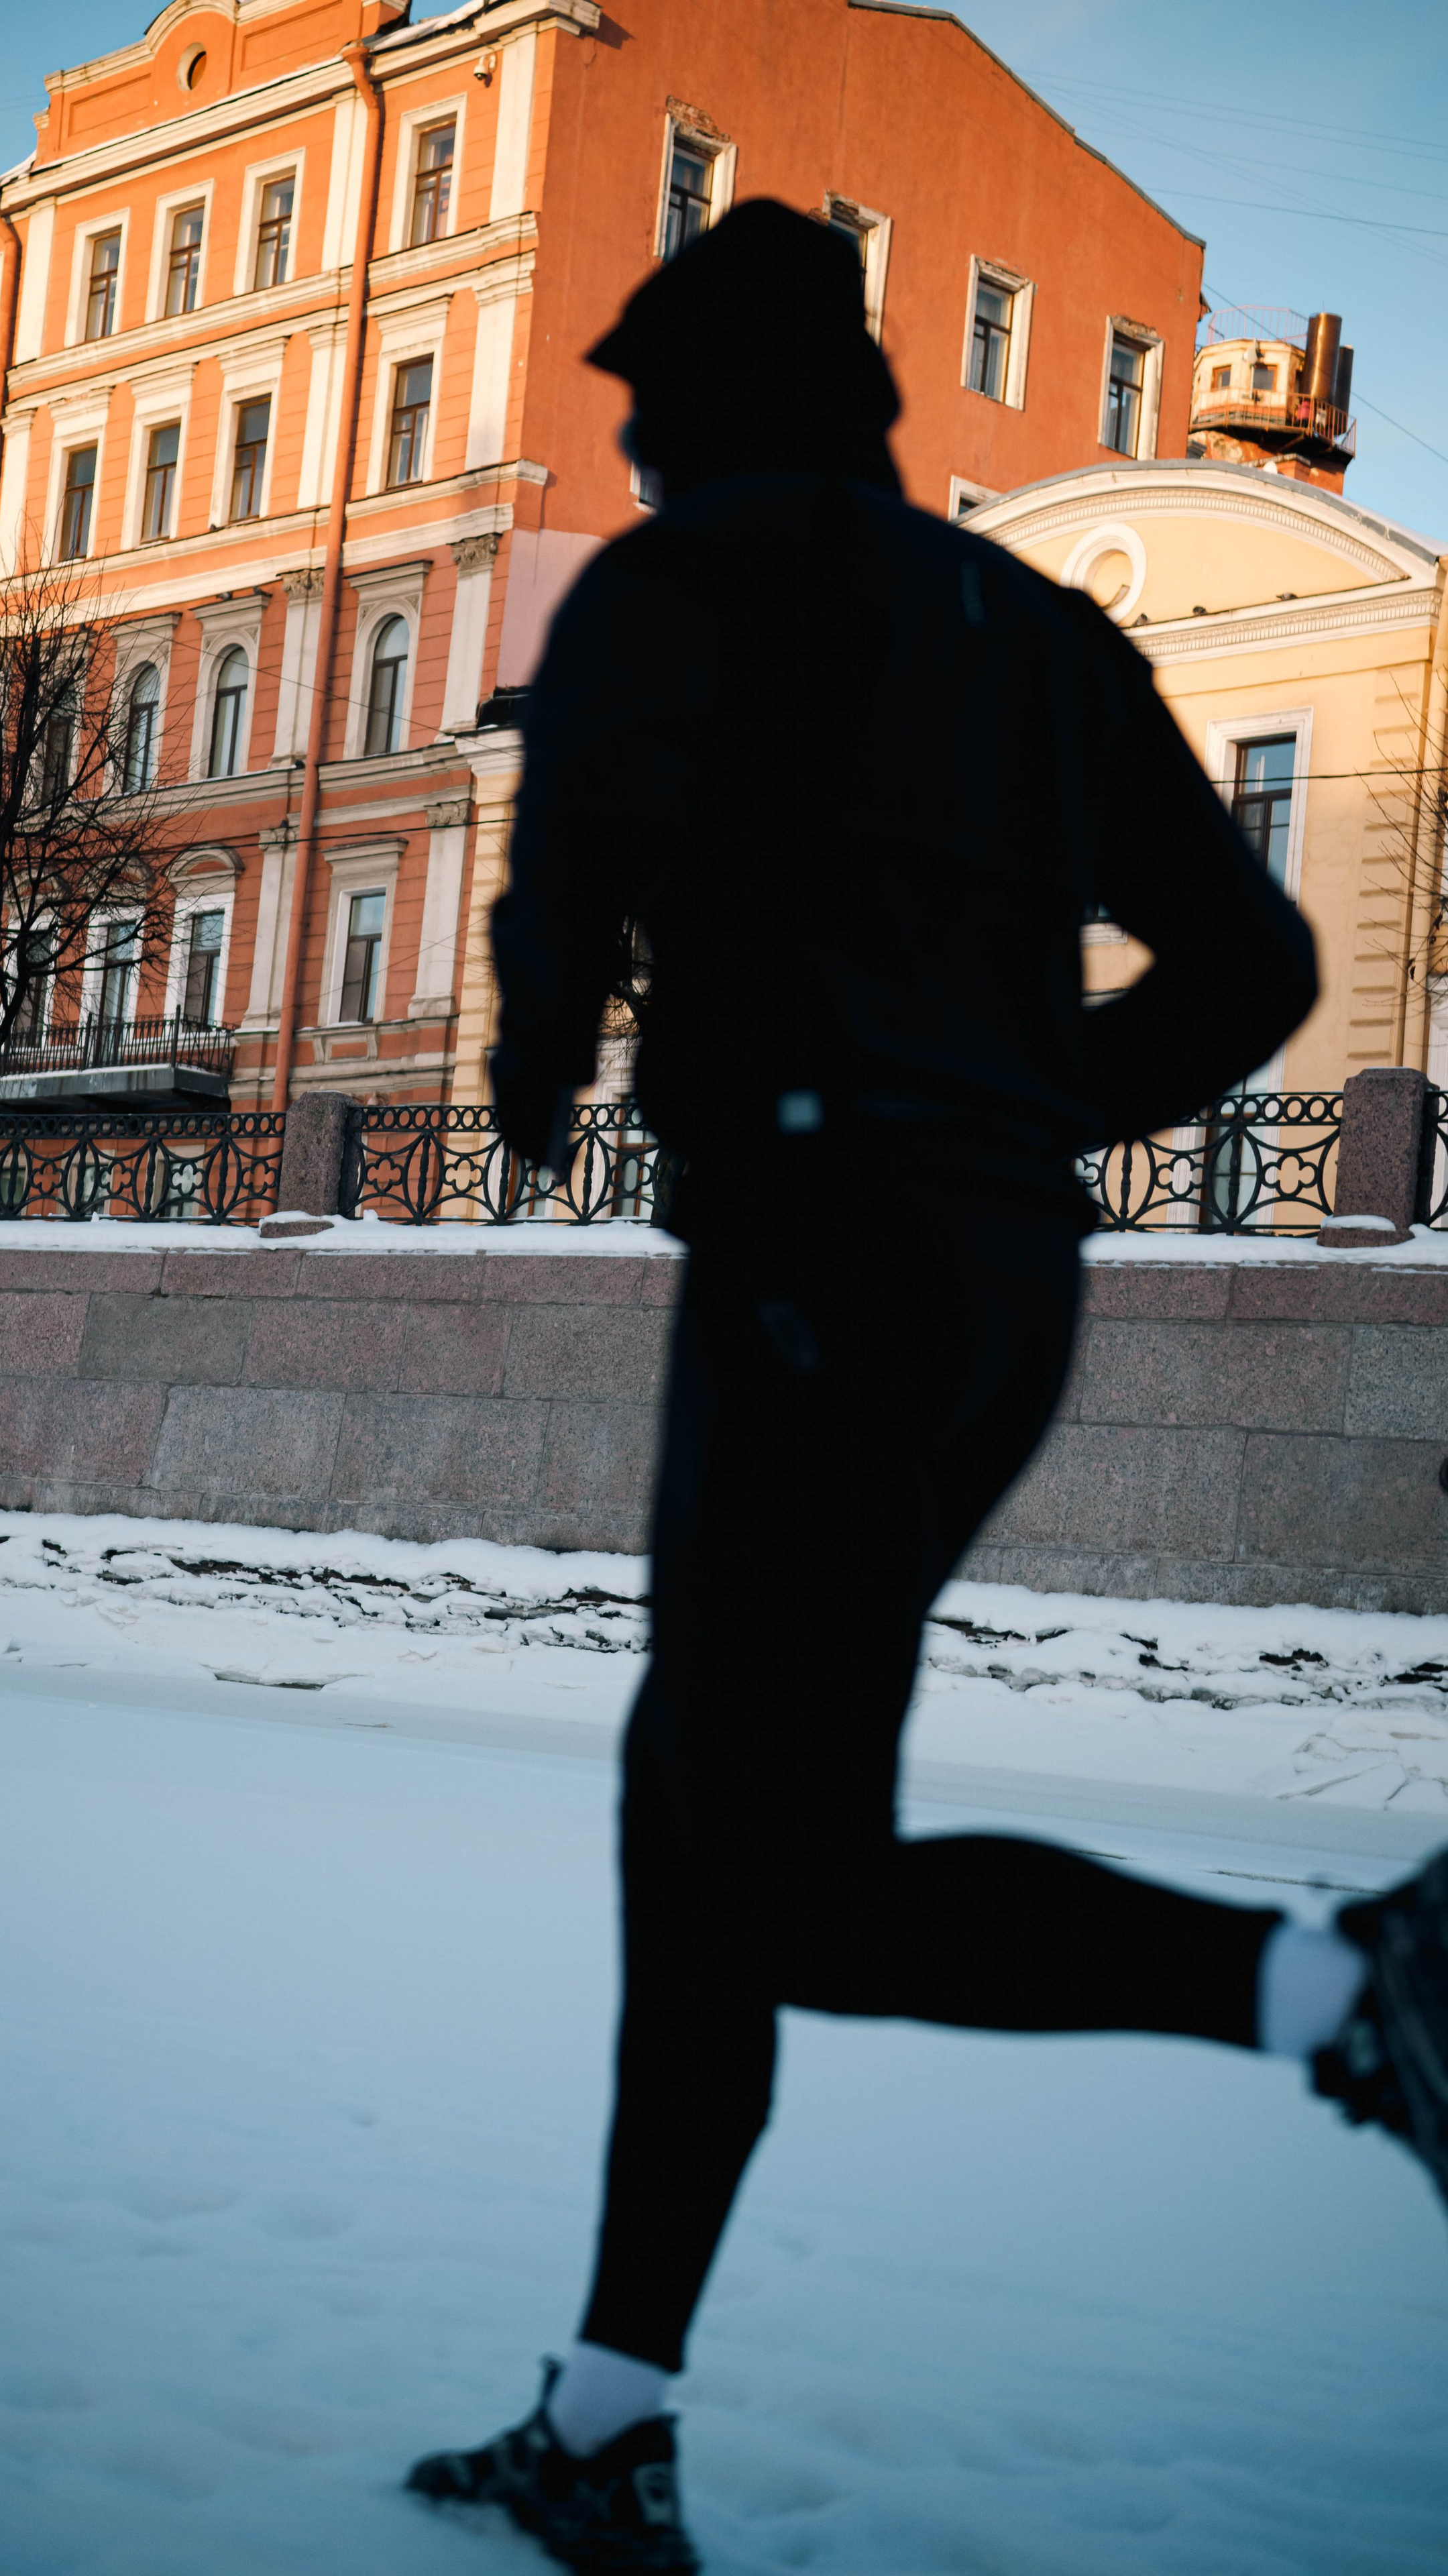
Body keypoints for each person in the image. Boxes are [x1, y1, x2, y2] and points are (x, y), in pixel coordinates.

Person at [405, 202, 1448, 2576]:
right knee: (708, 1849)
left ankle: (1346, 1985)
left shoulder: (671, 589)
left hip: (808, 1265)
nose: (633, 463)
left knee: (765, 1881)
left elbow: (561, 889)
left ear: (714, 416)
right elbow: (1259, 959)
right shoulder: (1035, 626)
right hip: (993, 1286)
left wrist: (555, 1072)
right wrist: (1025, 1111)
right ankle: (604, 2422)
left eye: (648, 423)